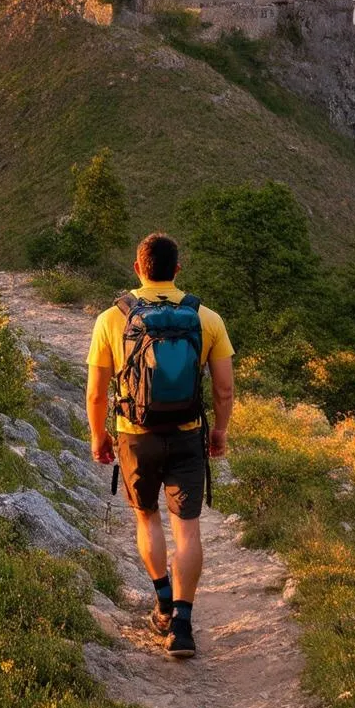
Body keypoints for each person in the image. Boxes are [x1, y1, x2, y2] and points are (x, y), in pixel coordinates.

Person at [86, 232, 235, 658]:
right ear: (177, 270)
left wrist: (100, 435)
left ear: (138, 268)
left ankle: (164, 602)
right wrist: (219, 432)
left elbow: (97, 393)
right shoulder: (206, 317)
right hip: (188, 433)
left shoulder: (111, 319)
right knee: (186, 529)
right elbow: (223, 391)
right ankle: (183, 626)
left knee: (147, 516)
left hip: (135, 435)